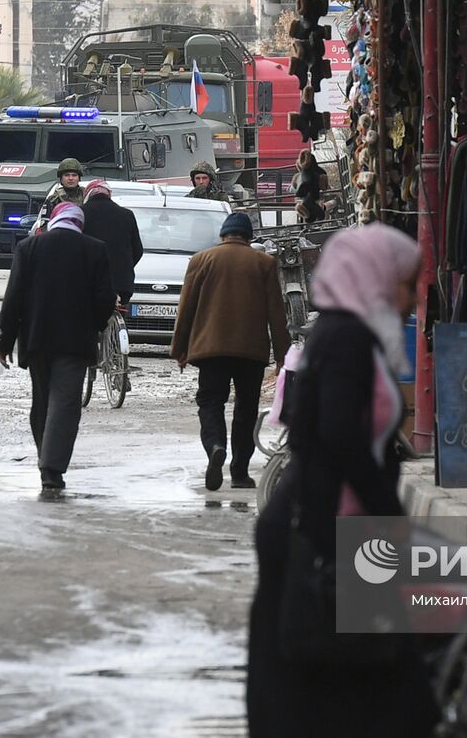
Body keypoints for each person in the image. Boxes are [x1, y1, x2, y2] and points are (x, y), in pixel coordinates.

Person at [246, 222, 436, 738]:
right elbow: (338, 437)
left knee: (344, 675)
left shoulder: (345, 334)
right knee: (350, 676)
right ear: (374, 278)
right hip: (331, 525)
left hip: (327, 520)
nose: (411, 295)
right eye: (405, 281)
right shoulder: (349, 338)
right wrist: (388, 516)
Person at [0, 202, 114, 491]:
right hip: (75, 340)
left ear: (54, 220)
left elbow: (13, 298)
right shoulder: (95, 249)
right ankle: (51, 467)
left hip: (37, 339)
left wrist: (5, 340)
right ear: (79, 224)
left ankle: (45, 458)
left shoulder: (29, 247)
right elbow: (105, 299)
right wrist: (95, 326)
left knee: (42, 401)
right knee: (65, 402)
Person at [170, 211, 290, 490]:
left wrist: (179, 349)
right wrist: (282, 355)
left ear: (224, 235)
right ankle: (239, 472)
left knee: (210, 403)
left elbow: (186, 307)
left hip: (210, 350)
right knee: (246, 409)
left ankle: (215, 446)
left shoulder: (202, 259)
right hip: (251, 351)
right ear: (248, 237)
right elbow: (276, 311)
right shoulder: (264, 262)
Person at [80, 178, 144, 305]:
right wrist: (123, 266)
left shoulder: (80, 213)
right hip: (121, 284)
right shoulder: (127, 215)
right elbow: (138, 250)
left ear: (88, 194)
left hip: (89, 284)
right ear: (109, 194)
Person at [290, 149, 328, 222]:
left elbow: (293, 188)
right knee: (320, 214)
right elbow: (324, 187)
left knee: (319, 214)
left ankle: (310, 216)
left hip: (308, 198)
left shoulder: (298, 176)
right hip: (312, 197)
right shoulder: (320, 173)